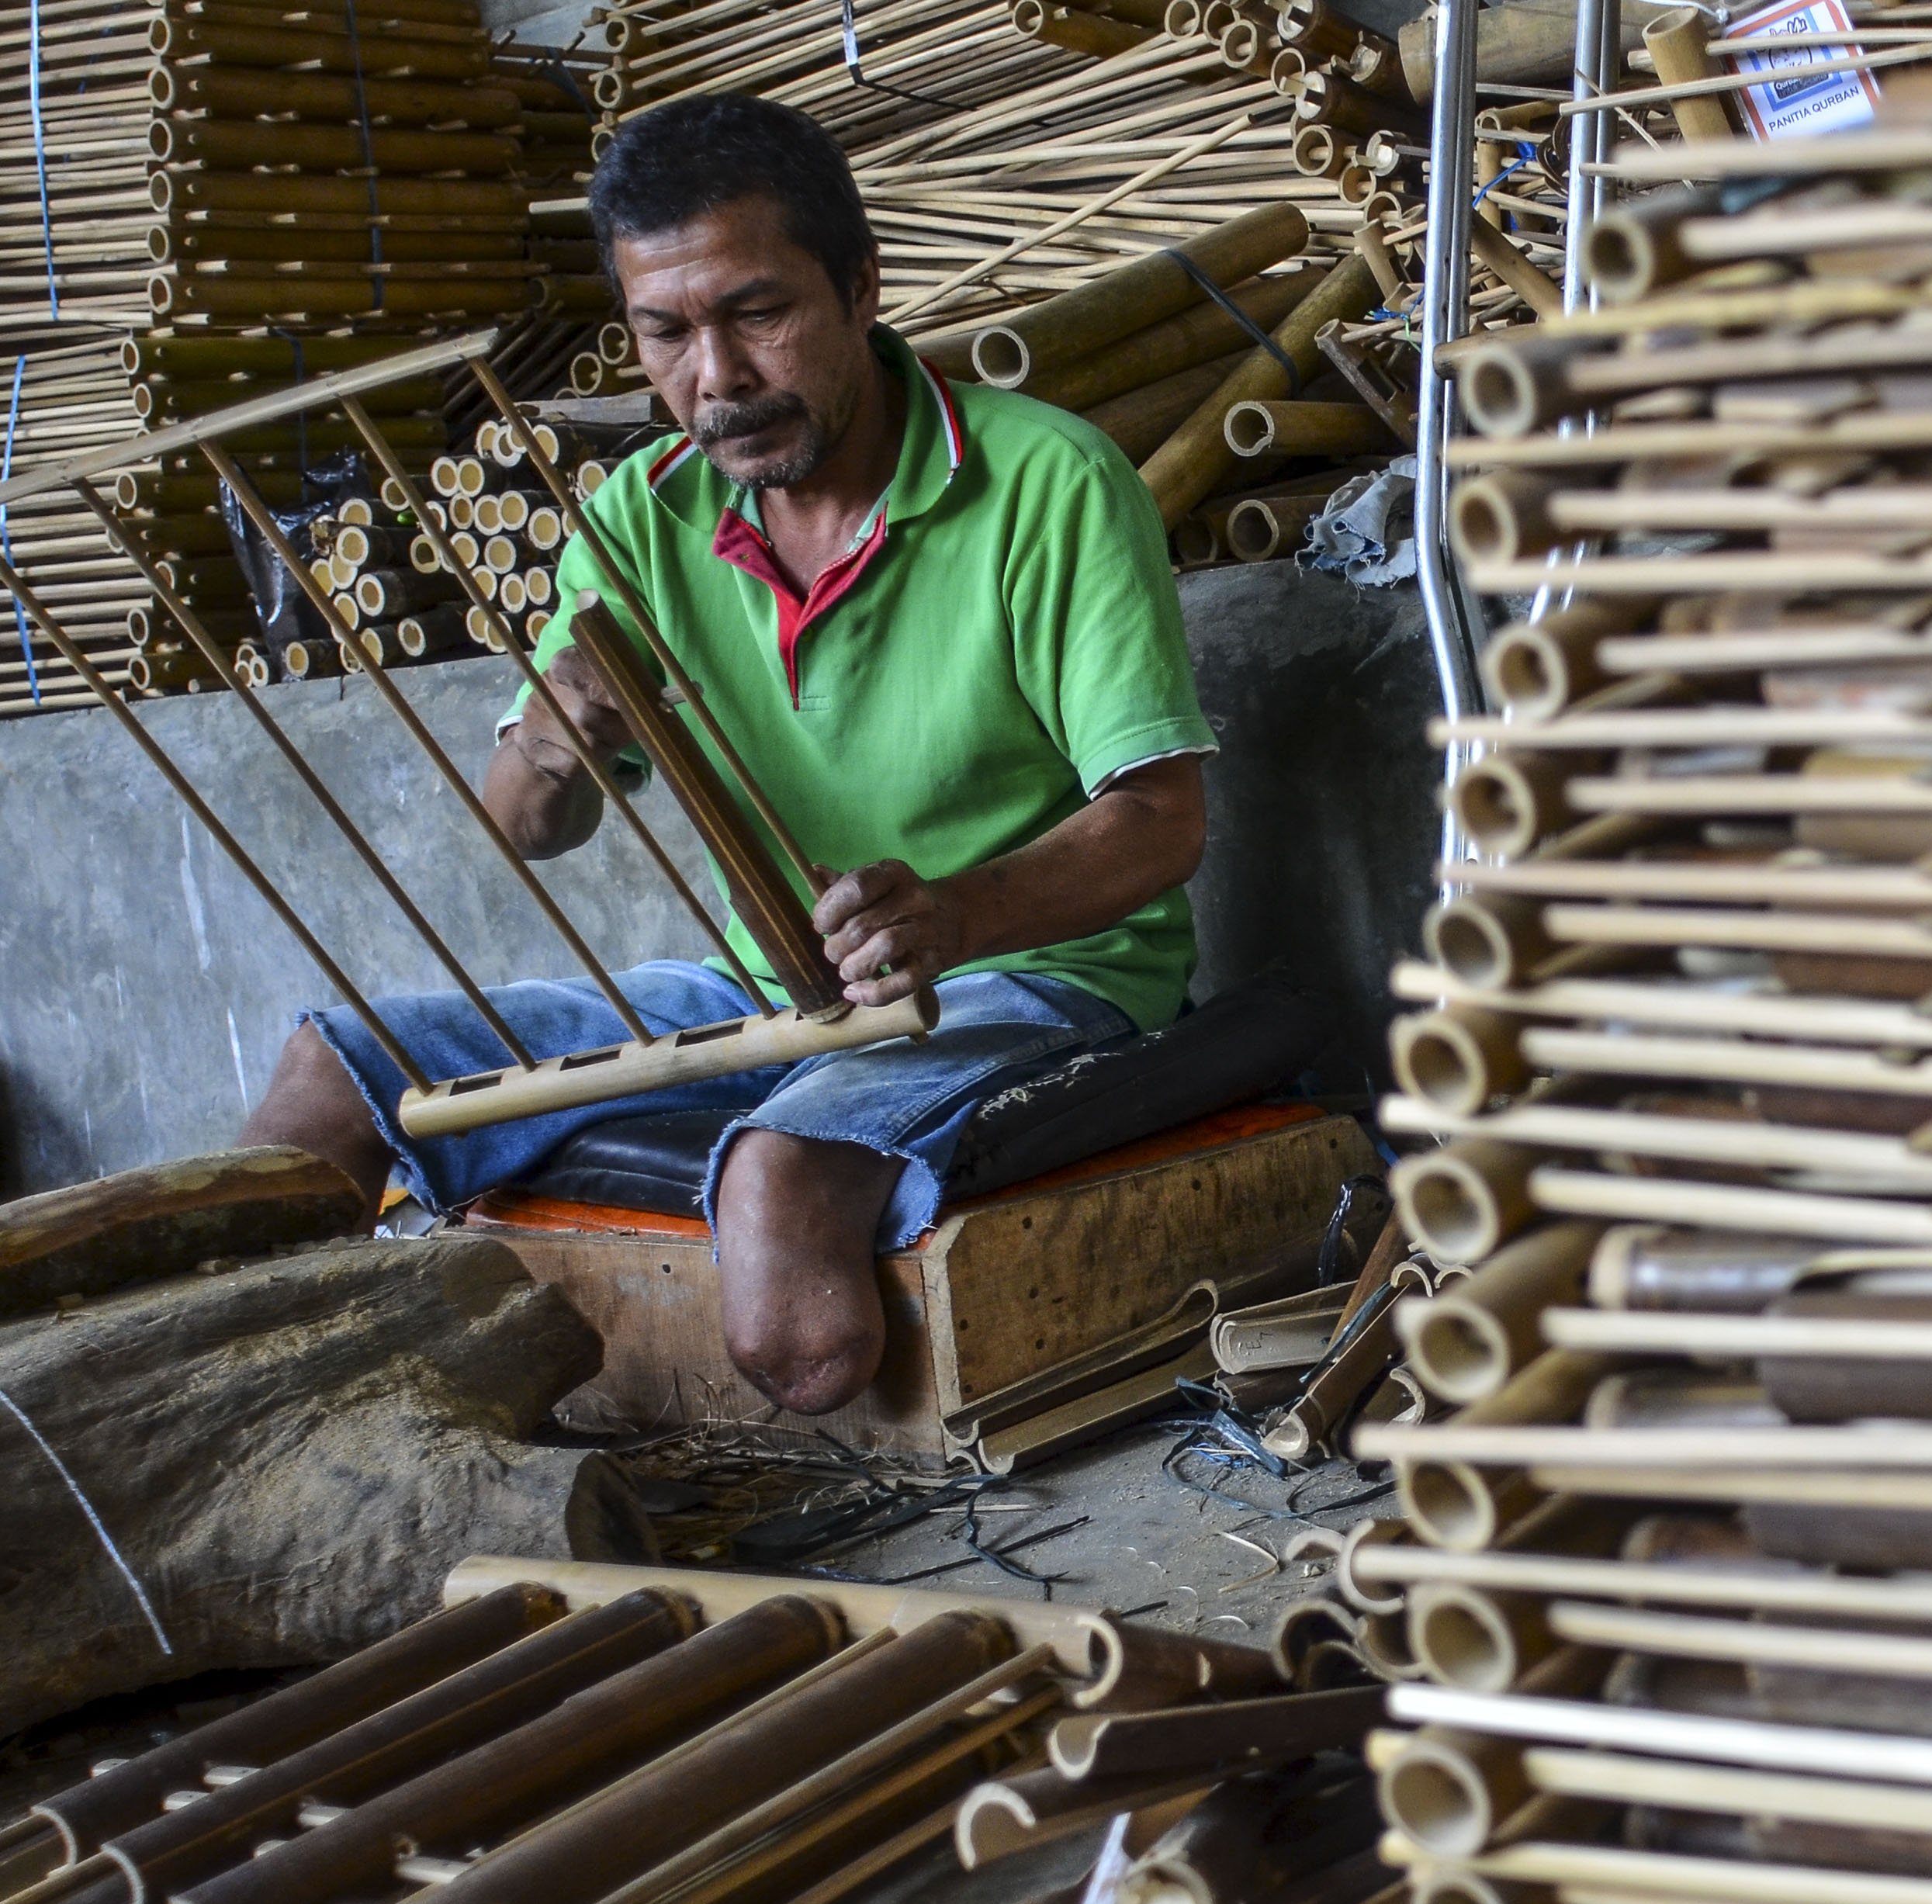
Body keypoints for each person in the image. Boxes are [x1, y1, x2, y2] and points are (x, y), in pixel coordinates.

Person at [239, 93, 1214, 1416]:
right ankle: (267, 1429)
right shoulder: (644, 519)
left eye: (759, 314)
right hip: (767, 986)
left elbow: (1160, 820)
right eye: (667, 333)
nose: (718, 378)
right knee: (327, 1080)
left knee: (786, 1229)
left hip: (1039, 976)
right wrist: (559, 735)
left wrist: (955, 913)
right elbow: (524, 823)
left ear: (862, 286)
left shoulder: (1051, 484)